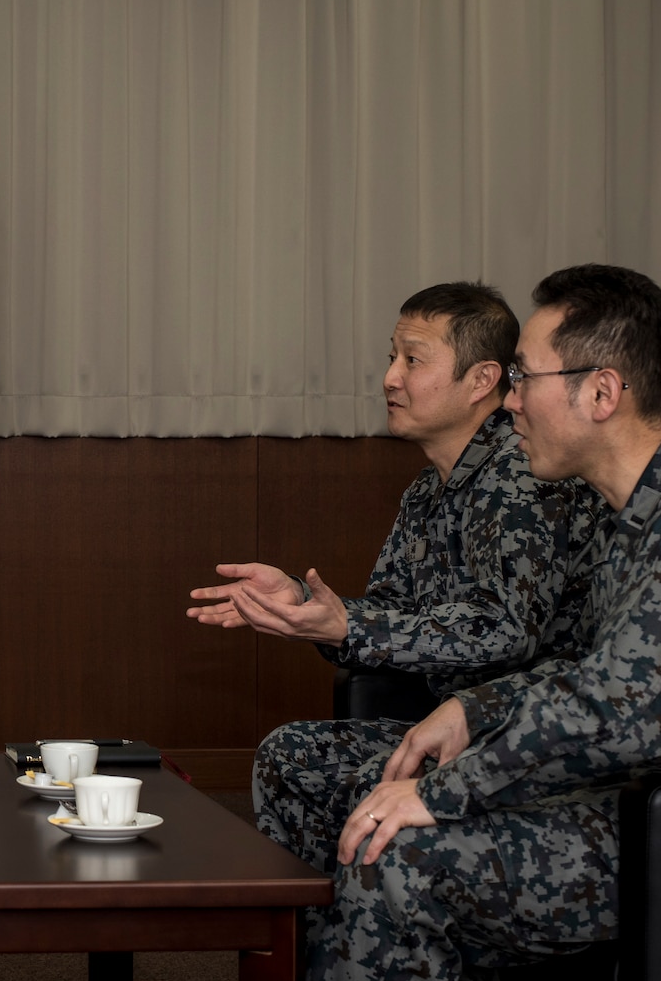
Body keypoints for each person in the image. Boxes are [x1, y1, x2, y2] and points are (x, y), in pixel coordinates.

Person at [280, 264, 661, 981]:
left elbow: (628, 713)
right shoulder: (639, 511)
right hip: (651, 798)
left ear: (602, 393)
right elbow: (596, 669)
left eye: (523, 379)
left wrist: (442, 791)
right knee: (382, 823)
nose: (509, 402)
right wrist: (473, 708)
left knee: (395, 852)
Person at [188, 284, 607, 842]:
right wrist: (306, 604)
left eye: (413, 359)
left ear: (482, 380)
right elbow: (392, 615)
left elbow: (507, 630)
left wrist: (351, 625)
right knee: (289, 757)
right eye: (392, 357)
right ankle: (313, 929)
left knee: (364, 784)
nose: (390, 377)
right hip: (446, 725)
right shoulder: (425, 491)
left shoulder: (520, 476)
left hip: (523, 731)